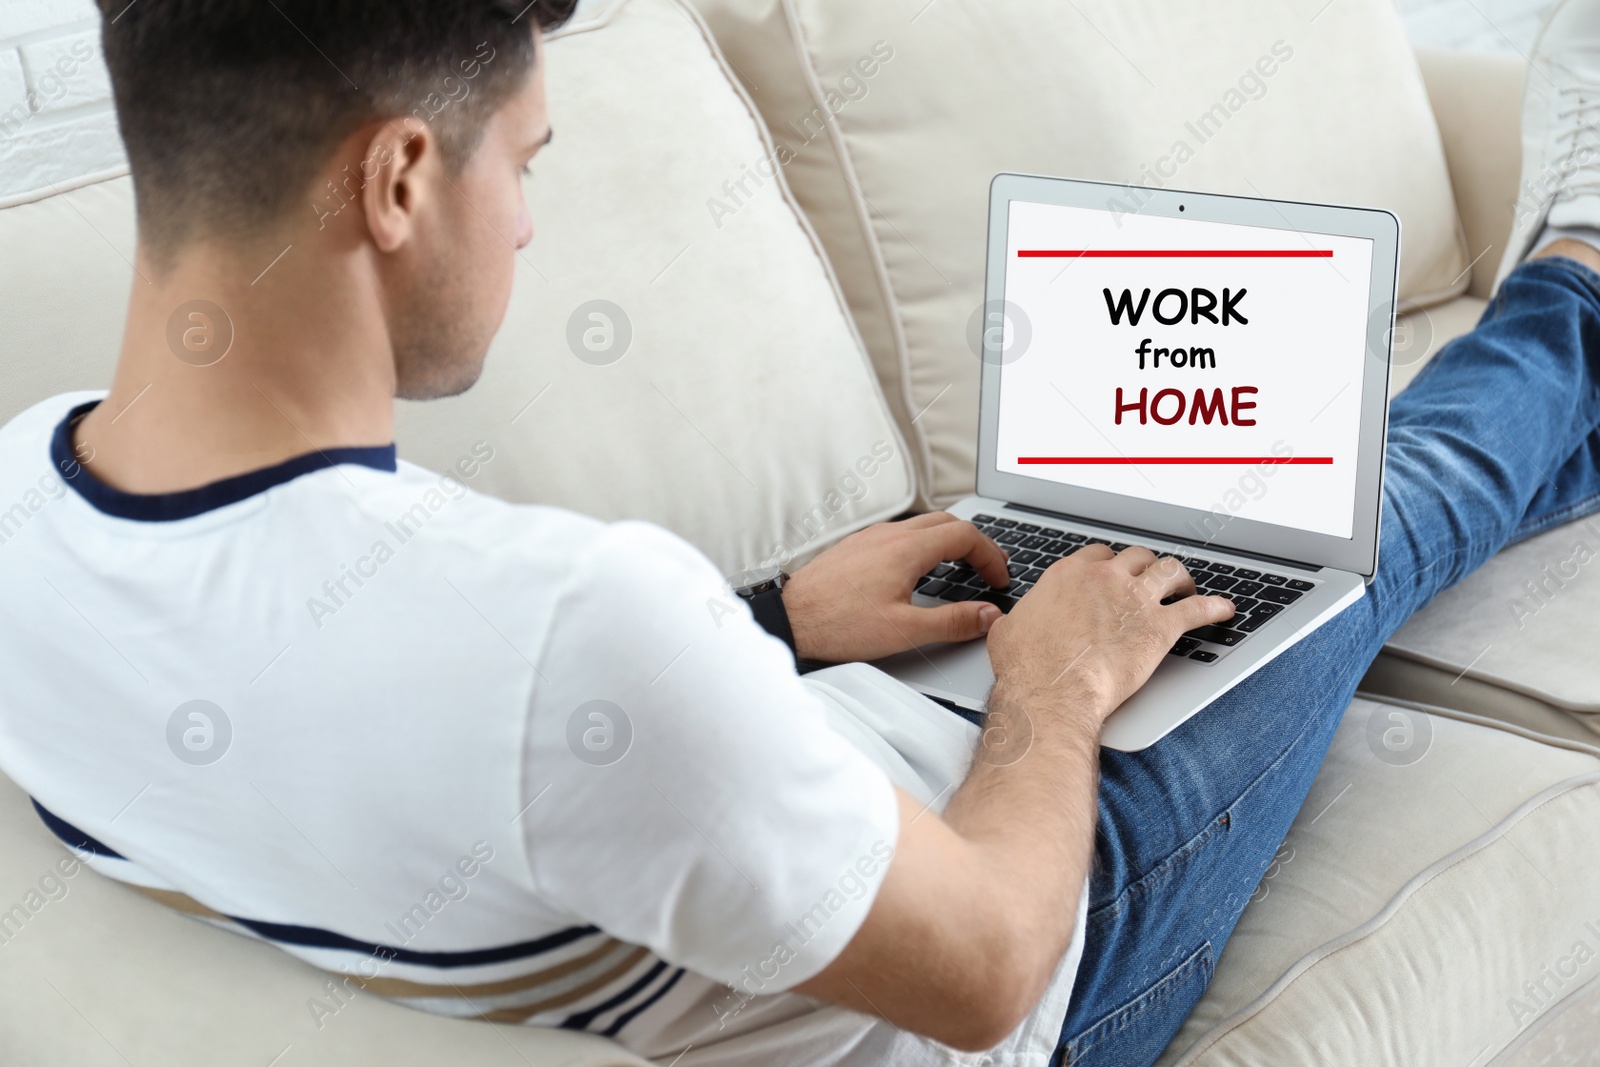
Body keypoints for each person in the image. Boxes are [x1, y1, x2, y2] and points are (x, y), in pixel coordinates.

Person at [1, 2, 1597, 1065]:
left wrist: (764, 619)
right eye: (526, 163)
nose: (531, 221)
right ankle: (1580, 272)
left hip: (829, 759)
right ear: (402, 179)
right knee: (1369, 514)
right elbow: (981, 978)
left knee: (1247, 511)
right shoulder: (574, 622)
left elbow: (447, 709)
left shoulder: (29, 502)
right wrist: (1055, 684)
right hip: (1047, 918)